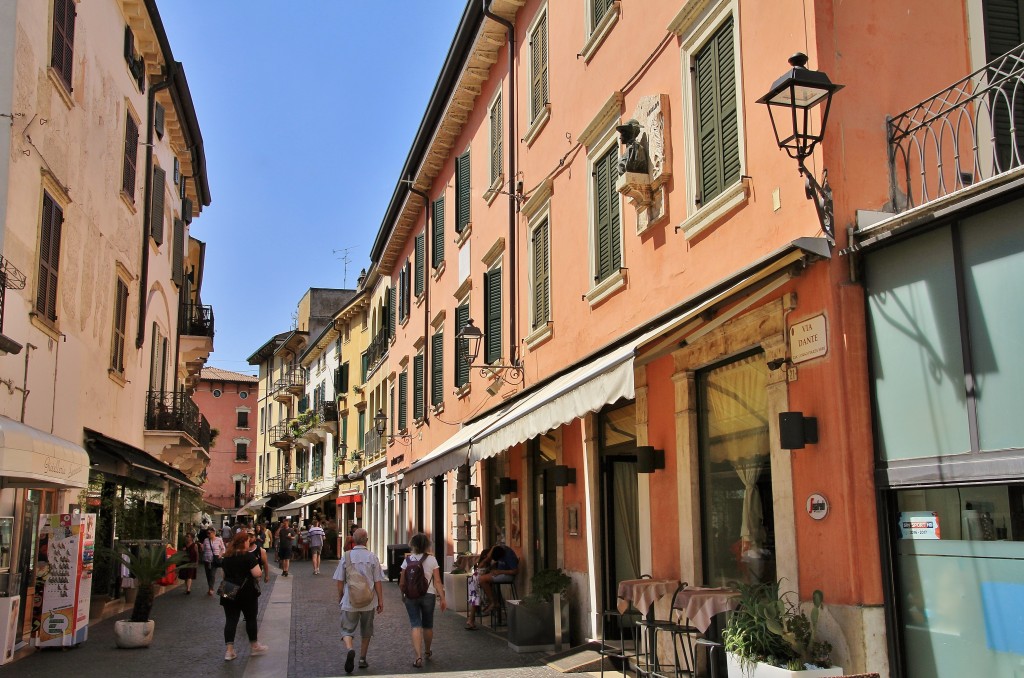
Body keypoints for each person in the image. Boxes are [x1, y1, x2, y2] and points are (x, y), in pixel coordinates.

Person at [333, 527, 384, 674]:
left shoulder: (346, 556)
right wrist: (380, 600)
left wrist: (340, 594)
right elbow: (378, 581)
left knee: (346, 629)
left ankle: (350, 649)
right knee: (366, 630)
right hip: (368, 600)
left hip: (350, 600)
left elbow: (340, 580)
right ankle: (362, 658)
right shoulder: (372, 557)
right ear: (366, 540)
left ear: (353, 540)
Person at [399, 533, 446, 668]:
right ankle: (427, 651)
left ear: (412, 545)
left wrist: (403, 594)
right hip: (428, 595)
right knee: (428, 625)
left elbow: (402, 582)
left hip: (411, 596)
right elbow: (437, 581)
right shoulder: (432, 560)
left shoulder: (407, 560)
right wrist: (442, 598)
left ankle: (418, 657)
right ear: (427, 545)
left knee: (415, 625)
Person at [220, 531, 268, 661]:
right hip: (246, 591)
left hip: (228, 589)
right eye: (247, 541)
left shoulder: (227, 557)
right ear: (243, 543)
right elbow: (257, 573)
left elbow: (223, 575)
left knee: (230, 620)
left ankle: (229, 651)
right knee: (250, 618)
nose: (249, 543)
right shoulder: (248, 557)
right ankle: (254, 645)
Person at [467, 545, 519, 626]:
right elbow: (482, 564)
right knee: (474, 581)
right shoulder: (493, 552)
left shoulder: (509, 555)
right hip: (493, 574)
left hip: (505, 574)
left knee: (476, 582)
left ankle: (491, 602)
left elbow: (515, 571)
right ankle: (473, 617)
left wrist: (499, 572)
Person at [202, 527, 226, 596]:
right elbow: (203, 549)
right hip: (206, 560)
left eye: (209, 533)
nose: (208, 534)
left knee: (212, 574)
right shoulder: (205, 540)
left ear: (214, 533)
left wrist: (220, 555)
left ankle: (211, 589)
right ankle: (210, 587)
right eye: (207, 533)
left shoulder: (219, 540)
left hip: (214, 560)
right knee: (208, 575)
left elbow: (223, 549)